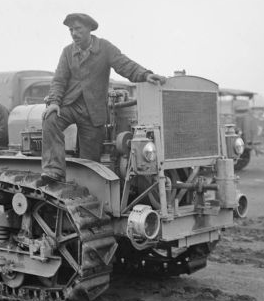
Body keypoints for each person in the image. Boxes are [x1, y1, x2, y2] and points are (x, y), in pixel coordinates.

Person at [37, 13, 167, 186]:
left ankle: (86, 192)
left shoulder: (104, 48)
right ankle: (54, 171)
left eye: (78, 29)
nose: (74, 33)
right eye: (70, 30)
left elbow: (124, 65)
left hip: (94, 111)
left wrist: (145, 75)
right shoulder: (67, 52)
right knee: (50, 119)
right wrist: (54, 102)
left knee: (90, 163)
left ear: (89, 29)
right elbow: (59, 80)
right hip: (70, 105)